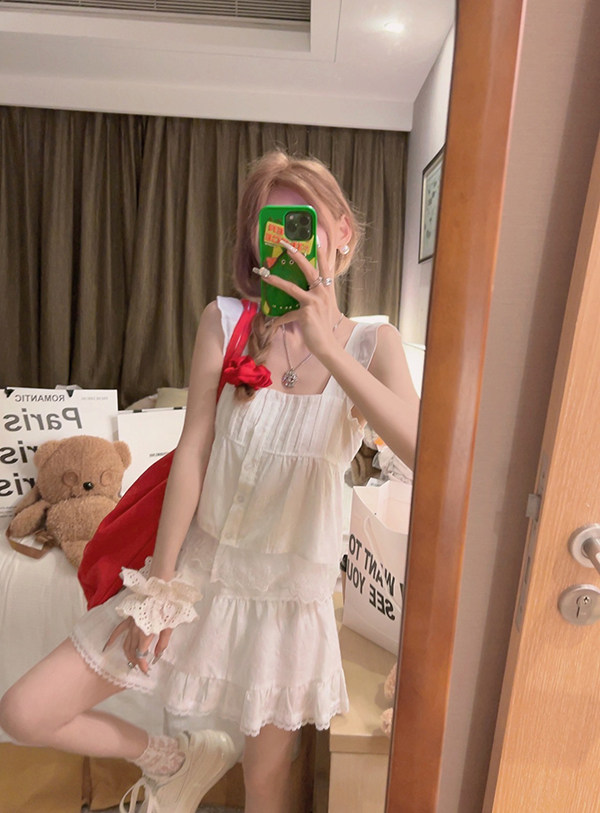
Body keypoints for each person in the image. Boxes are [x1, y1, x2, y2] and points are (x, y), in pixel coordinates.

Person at [0, 151, 420, 813]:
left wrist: (327, 345)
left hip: (288, 600)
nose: (285, 243)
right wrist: (160, 589)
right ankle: (170, 758)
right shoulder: (226, 322)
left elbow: (424, 452)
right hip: (197, 573)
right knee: (25, 710)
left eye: (303, 224)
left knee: (265, 786)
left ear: (343, 231)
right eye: (269, 227)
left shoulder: (375, 343)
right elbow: (193, 451)